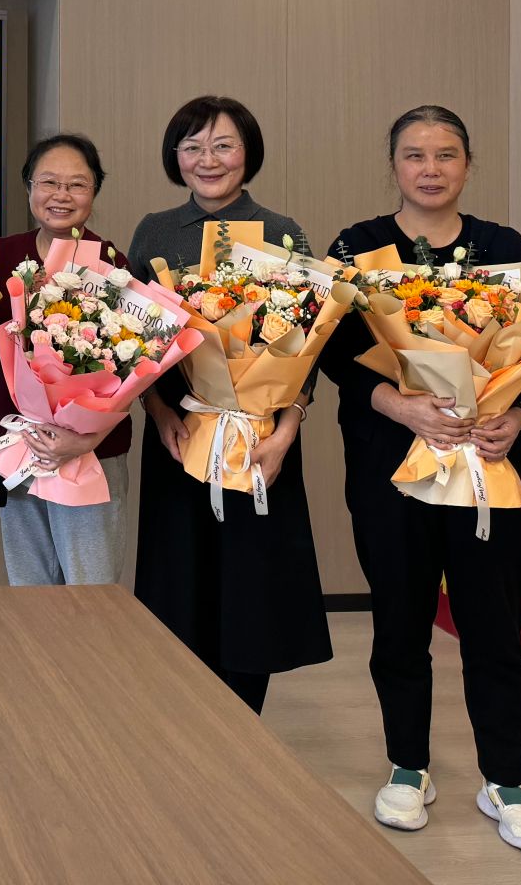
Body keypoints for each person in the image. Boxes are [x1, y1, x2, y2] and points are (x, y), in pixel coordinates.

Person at [323, 105, 521, 854]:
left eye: (446, 154)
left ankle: (506, 780)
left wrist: (517, 415)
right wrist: (398, 404)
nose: (430, 169)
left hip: (488, 465)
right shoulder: (357, 248)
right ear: (393, 164)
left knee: (494, 623)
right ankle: (409, 767)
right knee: (399, 619)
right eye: (415, 154)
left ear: (467, 163)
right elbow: (329, 353)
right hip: (391, 468)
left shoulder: (505, 248)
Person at [129, 94, 331, 714]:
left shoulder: (282, 231)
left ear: (248, 152)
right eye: (192, 147)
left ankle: (244, 721)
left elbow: (308, 345)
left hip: (260, 439)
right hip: (181, 434)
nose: (207, 160)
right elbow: (134, 341)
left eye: (223, 146)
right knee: (179, 580)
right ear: (175, 157)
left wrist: (287, 431)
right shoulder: (154, 231)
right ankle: (185, 722)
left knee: (251, 588)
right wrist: (160, 414)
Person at [0, 133, 131, 586]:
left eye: (76, 184)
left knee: (91, 589)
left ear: (94, 191)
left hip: (89, 454)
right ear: (29, 186)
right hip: (17, 446)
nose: (61, 195)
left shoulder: (112, 266)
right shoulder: (6, 254)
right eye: (48, 182)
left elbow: (133, 374)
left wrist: (83, 440)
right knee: (30, 589)